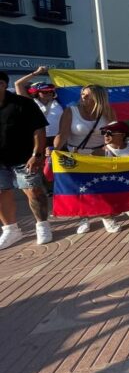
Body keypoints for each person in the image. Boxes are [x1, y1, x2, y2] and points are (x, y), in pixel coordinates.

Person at [0, 71, 51, 250]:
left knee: (34, 191)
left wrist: (37, 155)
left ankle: (42, 225)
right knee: (1, 193)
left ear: (3, 85)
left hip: (25, 158)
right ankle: (11, 229)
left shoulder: (23, 104)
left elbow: (39, 130)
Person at [13, 66, 63, 148]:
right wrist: (37, 72)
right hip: (37, 139)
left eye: (50, 91)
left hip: (57, 138)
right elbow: (18, 84)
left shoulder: (60, 101)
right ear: (37, 93)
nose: (49, 93)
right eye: (44, 92)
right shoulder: (31, 103)